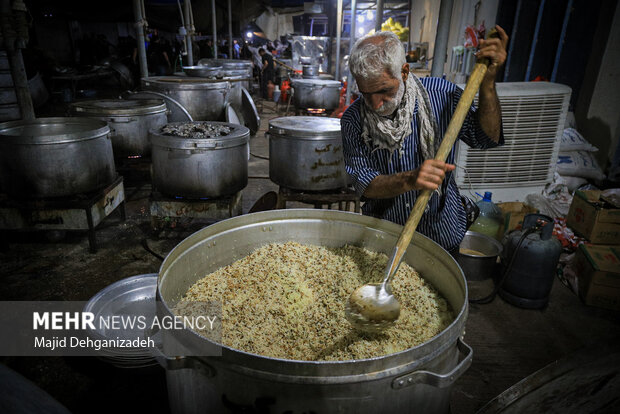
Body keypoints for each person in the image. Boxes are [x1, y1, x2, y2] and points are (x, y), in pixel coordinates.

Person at [341, 27, 509, 254]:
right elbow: (365, 184)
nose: (376, 104)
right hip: (384, 239)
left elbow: (485, 139)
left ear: (404, 72)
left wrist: (487, 84)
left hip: (441, 234)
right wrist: (409, 180)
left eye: (384, 90)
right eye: (365, 94)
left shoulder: (442, 95)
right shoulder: (353, 119)